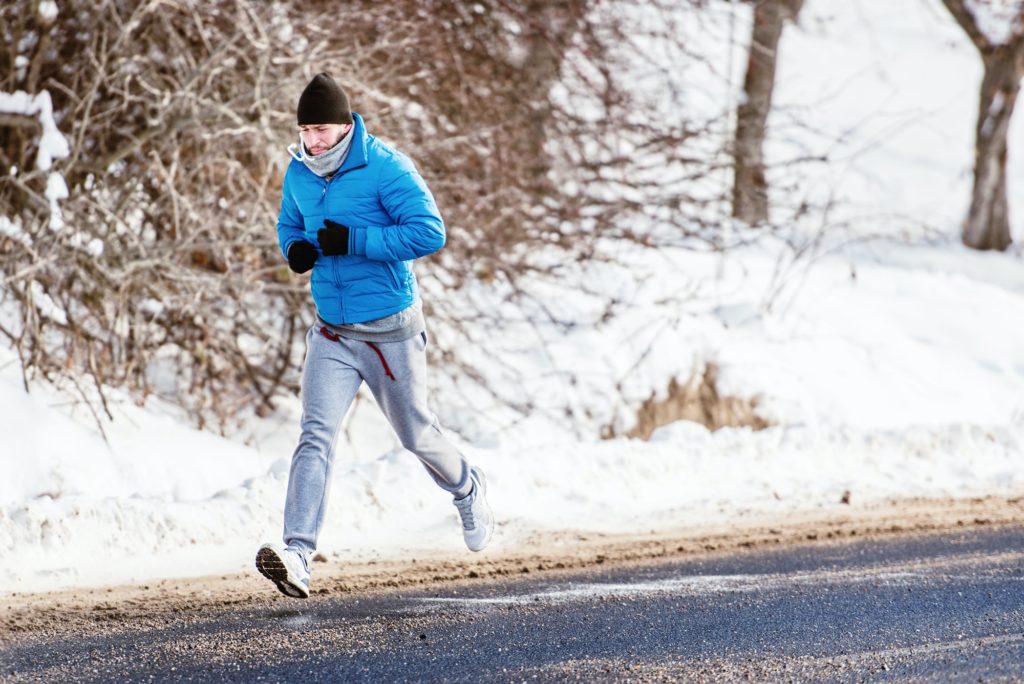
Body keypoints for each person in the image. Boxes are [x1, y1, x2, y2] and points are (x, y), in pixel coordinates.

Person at [255, 72, 493, 599]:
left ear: (344, 126)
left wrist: (356, 239)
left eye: (318, 130)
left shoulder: (385, 167)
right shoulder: (299, 172)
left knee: (417, 435)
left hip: (390, 332)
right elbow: (288, 224)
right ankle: (297, 554)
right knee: (315, 436)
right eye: (304, 131)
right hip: (333, 332)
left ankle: (467, 486)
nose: (310, 141)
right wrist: (293, 247)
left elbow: (430, 231)